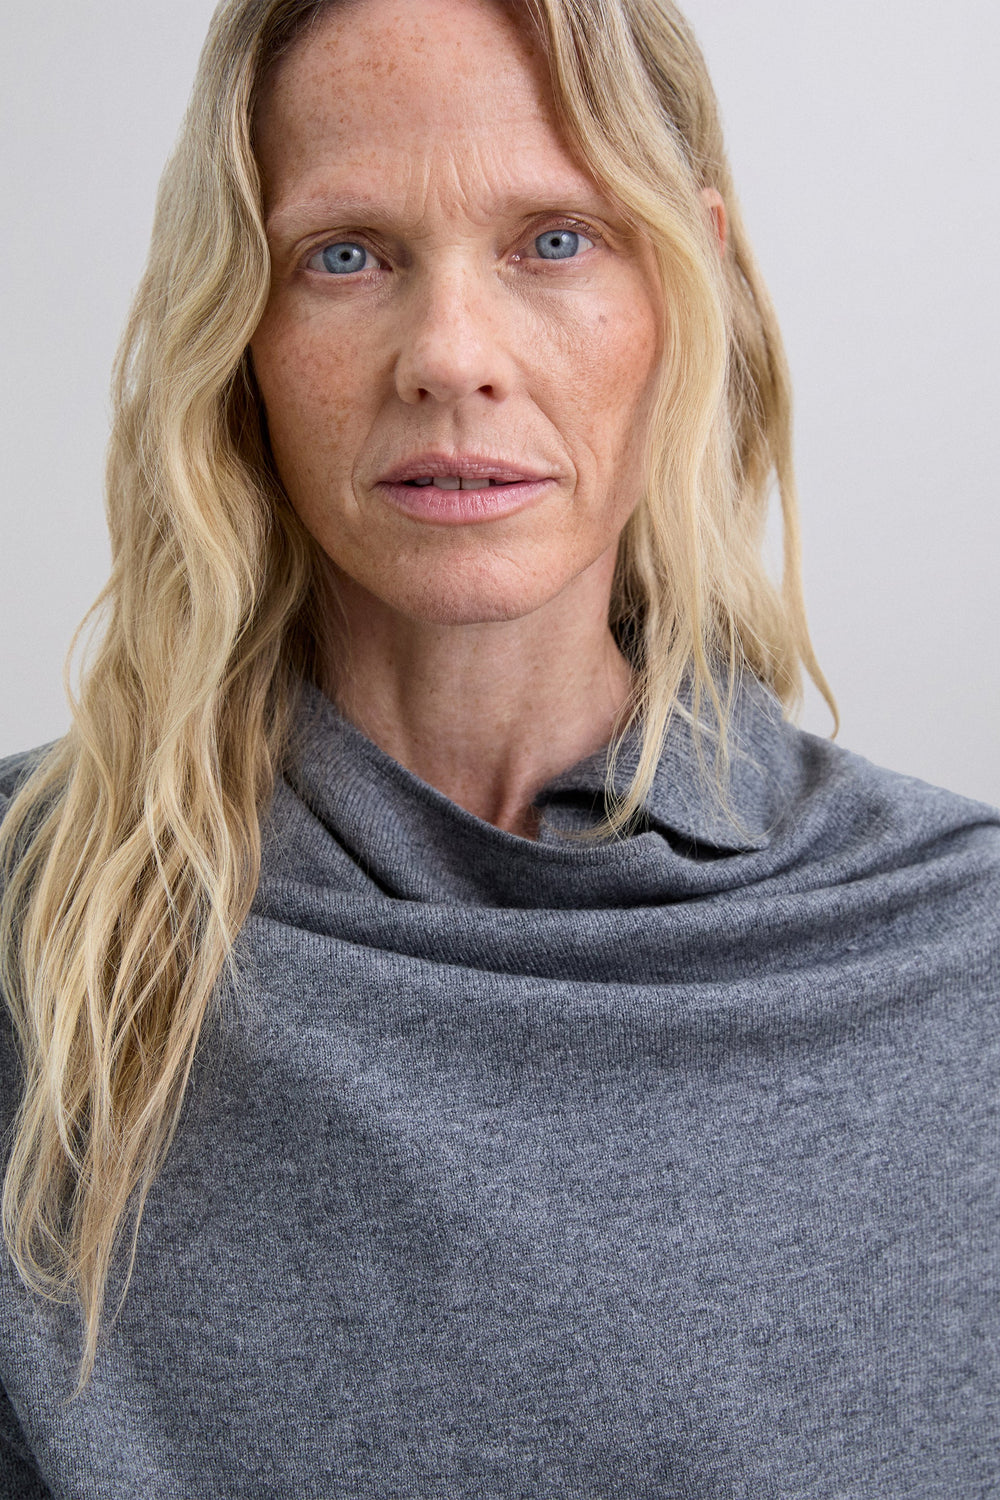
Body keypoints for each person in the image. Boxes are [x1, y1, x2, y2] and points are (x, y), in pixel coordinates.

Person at [0, 0, 996, 1493]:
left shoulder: (960, 950)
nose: (450, 357)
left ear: (692, 285)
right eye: (346, 255)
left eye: (555, 241)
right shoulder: (36, 925)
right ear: (242, 327)